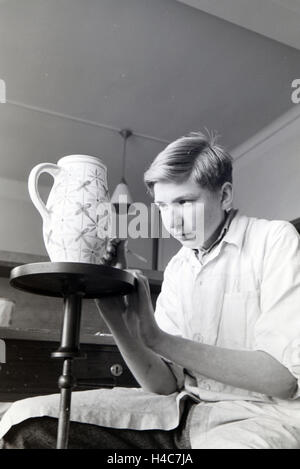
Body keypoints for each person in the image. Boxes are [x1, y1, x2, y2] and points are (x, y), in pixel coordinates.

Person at [1, 131, 300, 449]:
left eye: (184, 202)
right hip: (185, 416)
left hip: (259, 421)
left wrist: (157, 338)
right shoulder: (180, 267)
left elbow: (282, 379)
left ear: (225, 196)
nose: (172, 221)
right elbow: (164, 384)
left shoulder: (274, 240)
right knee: (27, 422)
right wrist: (115, 314)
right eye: (162, 206)